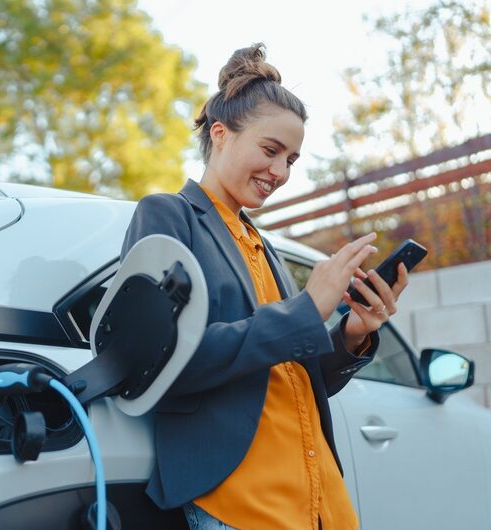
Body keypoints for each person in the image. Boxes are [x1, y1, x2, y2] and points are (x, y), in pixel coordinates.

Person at [120, 43, 409, 530]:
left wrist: (351, 334)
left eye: (292, 159)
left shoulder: (262, 243)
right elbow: (160, 360)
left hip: (319, 500)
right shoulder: (168, 215)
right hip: (241, 502)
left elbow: (292, 376)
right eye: (270, 150)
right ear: (220, 134)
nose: (281, 173)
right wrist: (307, 309)